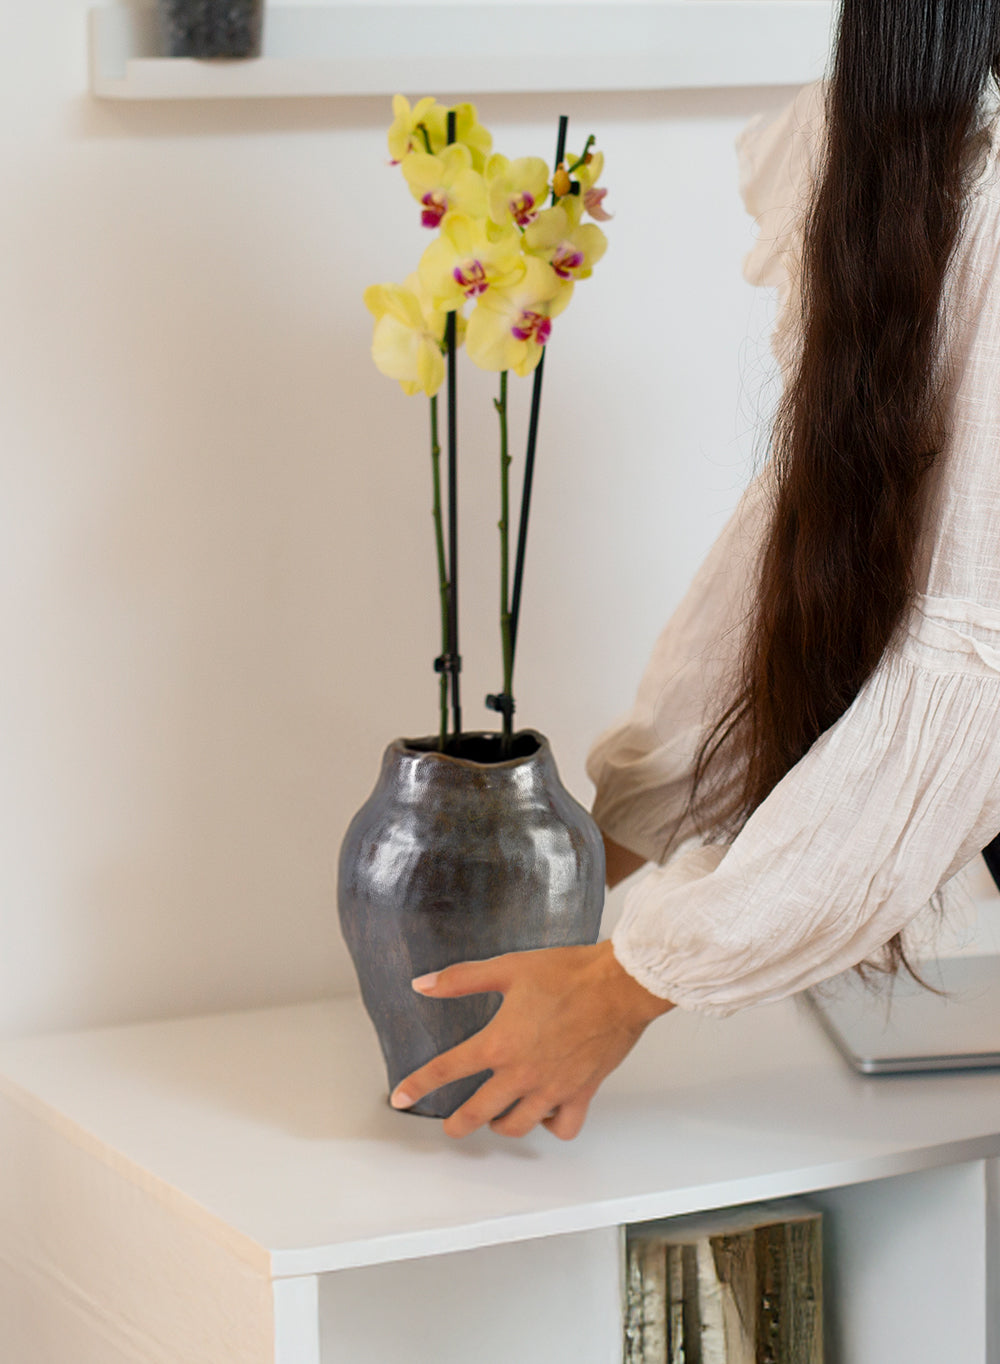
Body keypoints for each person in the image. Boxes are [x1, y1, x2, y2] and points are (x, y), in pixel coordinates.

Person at [391, 0, 1000, 1139]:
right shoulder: (913, 153)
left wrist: (628, 983)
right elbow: (812, 524)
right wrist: (589, 853)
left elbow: (968, 671)